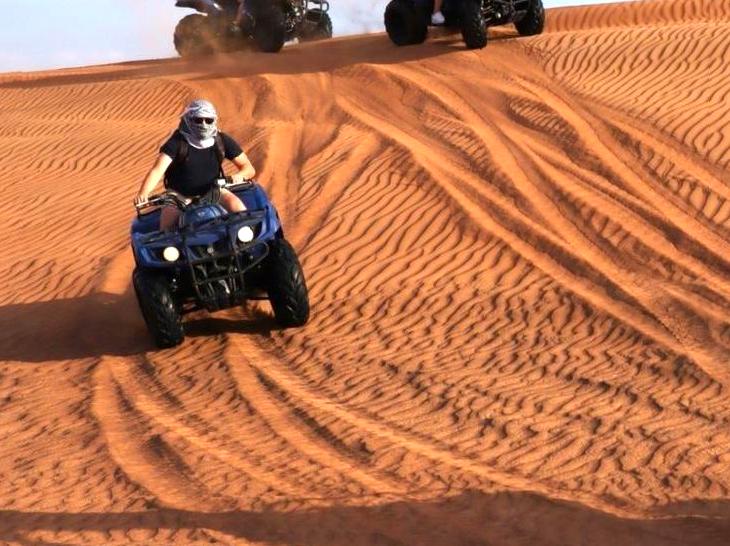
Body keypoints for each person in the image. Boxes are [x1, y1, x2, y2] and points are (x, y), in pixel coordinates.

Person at [135, 99, 256, 231]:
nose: (203, 124)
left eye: (208, 120)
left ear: (214, 120)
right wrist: (144, 193)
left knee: (238, 209)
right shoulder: (177, 142)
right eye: (198, 120)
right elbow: (157, 170)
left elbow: (248, 168)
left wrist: (237, 176)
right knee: (167, 227)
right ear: (188, 119)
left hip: (213, 190)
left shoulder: (221, 140)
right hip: (179, 195)